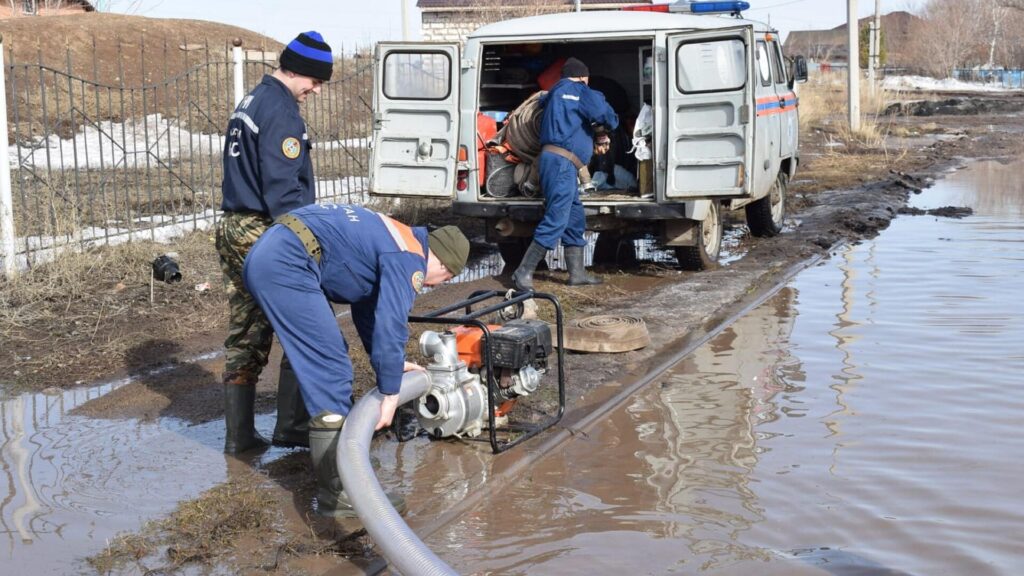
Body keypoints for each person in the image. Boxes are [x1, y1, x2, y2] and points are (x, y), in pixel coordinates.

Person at [243, 203, 470, 517]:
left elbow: (370, 310)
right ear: (445, 265)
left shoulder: (396, 236)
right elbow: (392, 322)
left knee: (319, 347)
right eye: (441, 279)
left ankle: (298, 430)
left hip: (274, 249)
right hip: (288, 262)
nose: (433, 286)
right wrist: (391, 392)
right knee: (330, 364)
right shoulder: (409, 257)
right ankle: (340, 494)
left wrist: (389, 366)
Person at [216, 31, 333, 454]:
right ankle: (295, 423)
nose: (315, 92)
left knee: (247, 329)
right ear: (298, 70)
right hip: (266, 231)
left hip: (233, 225)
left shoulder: (251, 100)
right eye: (314, 82)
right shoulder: (281, 110)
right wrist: (307, 241)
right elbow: (283, 190)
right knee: (307, 319)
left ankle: (239, 435)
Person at [512, 57, 619, 290]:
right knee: (557, 217)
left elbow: (554, 112)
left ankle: (577, 273)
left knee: (574, 216)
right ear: (584, 77)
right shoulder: (581, 91)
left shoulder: (552, 93)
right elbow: (605, 115)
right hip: (562, 163)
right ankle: (523, 272)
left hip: (553, 161)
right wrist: (604, 130)